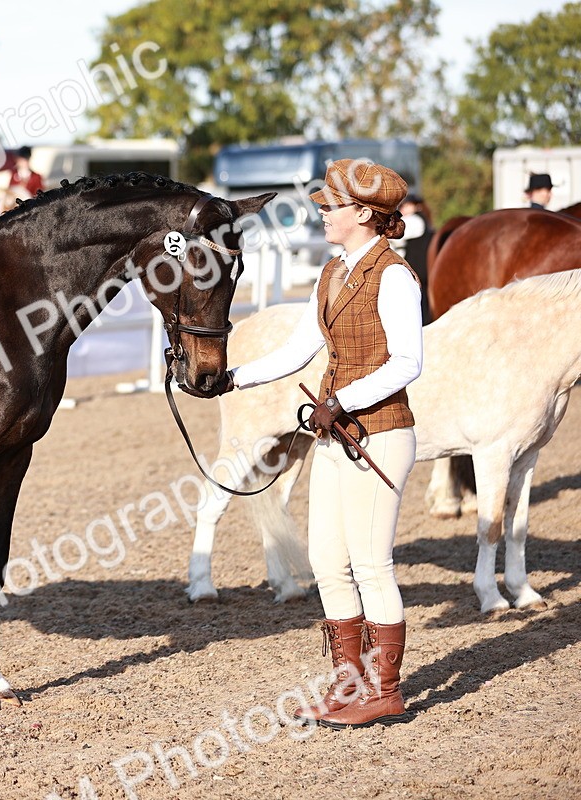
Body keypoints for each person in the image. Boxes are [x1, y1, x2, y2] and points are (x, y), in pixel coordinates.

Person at [227, 159, 423, 729]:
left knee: (371, 562)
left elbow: (409, 361)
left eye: (330, 207)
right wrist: (233, 377)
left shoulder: (394, 276)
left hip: (381, 435)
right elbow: (298, 349)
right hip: (337, 435)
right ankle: (348, 685)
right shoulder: (334, 273)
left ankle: (385, 691)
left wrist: (346, 399)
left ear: (363, 213)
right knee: (327, 561)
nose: (322, 215)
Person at [396, 194, 434, 325]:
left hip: (417, 271)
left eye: (406, 205)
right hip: (420, 272)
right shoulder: (421, 221)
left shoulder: (414, 220)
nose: (402, 209)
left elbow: (394, 235)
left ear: (417, 206)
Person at [0, 145, 44, 213]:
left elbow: (39, 194)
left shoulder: (36, 177)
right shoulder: (14, 174)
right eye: (19, 160)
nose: (20, 163)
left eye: (22, 160)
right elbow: (10, 190)